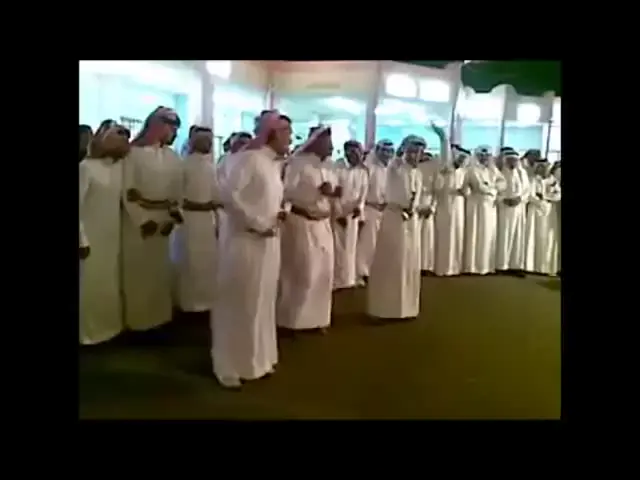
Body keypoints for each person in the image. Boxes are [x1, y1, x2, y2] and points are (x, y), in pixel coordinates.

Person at [211, 112, 291, 388]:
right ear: (271, 133)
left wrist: (277, 214)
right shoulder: (248, 159)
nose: (290, 138)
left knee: (262, 302)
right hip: (245, 241)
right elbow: (227, 195)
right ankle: (231, 365)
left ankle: (258, 360)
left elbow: (266, 199)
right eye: (285, 131)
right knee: (240, 303)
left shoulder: (272, 164)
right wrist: (257, 223)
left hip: (268, 243)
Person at [121, 106, 184, 334]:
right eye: (171, 127)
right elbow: (127, 191)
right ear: (157, 125)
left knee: (160, 273)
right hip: (138, 224)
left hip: (164, 222)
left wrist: (171, 219)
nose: (174, 132)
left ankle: (160, 320)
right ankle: (139, 325)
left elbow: (178, 192)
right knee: (139, 273)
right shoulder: (131, 154)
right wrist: (142, 220)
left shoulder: (173, 157)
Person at [277, 125, 339, 335]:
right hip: (302, 223)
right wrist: (314, 191)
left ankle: (318, 319)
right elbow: (287, 192)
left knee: (324, 273)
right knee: (303, 273)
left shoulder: (329, 167)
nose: (331, 147)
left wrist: (334, 193)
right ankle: (293, 321)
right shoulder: (298, 164)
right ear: (316, 143)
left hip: (323, 224)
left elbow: (333, 192)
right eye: (327, 142)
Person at [80, 123, 131, 345]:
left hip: (113, 235)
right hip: (90, 237)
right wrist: (81, 239)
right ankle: (89, 334)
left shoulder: (118, 168)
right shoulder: (85, 168)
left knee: (109, 284)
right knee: (90, 284)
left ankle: (110, 329)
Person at [367, 135, 424, 321]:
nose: (415, 155)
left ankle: (407, 308)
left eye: (419, 152)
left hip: (411, 222)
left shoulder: (418, 173)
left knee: (409, 263)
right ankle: (384, 309)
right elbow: (395, 161)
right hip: (393, 220)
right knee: (392, 262)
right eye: (412, 151)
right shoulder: (395, 168)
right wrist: (402, 149)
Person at [173, 126, 221, 315]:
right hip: (191, 220)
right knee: (190, 262)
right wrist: (196, 206)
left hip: (208, 220)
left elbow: (216, 194)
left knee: (207, 262)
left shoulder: (211, 166)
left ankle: (206, 303)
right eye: (205, 140)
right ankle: (188, 304)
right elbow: (177, 195)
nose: (208, 144)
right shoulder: (183, 165)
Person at [463, 145, 505, 275]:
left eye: (486, 156)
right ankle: (472, 266)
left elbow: (502, 183)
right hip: (476, 205)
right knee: (475, 234)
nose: (484, 158)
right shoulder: (471, 170)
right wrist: (492, 189)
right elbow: (476, 186)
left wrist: (494, 188)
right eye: (481, 156)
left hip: (490, 206)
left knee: (488, 234)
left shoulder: (493, 170)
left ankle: (486, 266)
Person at [356, 139, 393, 284]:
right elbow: (363, 191)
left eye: (389, 151)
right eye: (384, 150)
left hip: (386, 212)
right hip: (370, 209)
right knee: (368, 244)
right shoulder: (369, 168)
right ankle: (363, 272)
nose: (386, 154)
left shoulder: (391, 169)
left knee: (383, 244)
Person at [332, 140, 368, 290]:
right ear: (347, 152)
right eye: (355, 152)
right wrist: (339, 214)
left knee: (351, 248)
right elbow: (334, 194)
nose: (359, 155)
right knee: (338, 248)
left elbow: (363, 193)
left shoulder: (362, 171)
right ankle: (336, 281)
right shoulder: (337, 168)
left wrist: (359, 209)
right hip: (338, 215)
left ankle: (348, 279)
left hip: (353, 215)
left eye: (360, 152)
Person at [433, 145, 469, 276]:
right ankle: (442, 267)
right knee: (445, 234)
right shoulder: (445, 169)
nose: (461, 160)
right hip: (445, 205)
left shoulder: (464, 172)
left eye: (463, 158)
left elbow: (468, 189)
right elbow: (437, 187)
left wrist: (464, 192)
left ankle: (455, 267)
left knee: (457, 234)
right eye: (460, 157)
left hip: (459, 206)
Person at [524, 160, 561, 275]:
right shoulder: (533, 180)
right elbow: (530, 195)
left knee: (548, 239)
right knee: (535, 236)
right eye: (540, 167)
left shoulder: (553, 181)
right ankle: (533, 267)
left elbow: (558, 195)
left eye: (545, 167)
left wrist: (546, 197)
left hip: (549, 212)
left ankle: (547, 267)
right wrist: (540, 202)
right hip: (535, 211)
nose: (543, 169)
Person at [495, 148, 528, 276]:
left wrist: (520, 199)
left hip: (519, 209)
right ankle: (502, 265)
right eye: (510, 160)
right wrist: (503, 199)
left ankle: (515, 265)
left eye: (514, 160)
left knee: (518, 237)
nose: (512, 162)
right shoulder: (499, 173)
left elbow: (527, 190)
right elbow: (495, 190)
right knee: (504, 236)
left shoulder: (522, 173)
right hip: (504, 208)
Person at [417, 134, 440, 275]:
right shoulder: (410, 166)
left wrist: (432, 207)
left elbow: (436, 190)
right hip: (414, 204)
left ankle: (425, 265)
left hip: (428, 202)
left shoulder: (433, 166)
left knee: (427, 237)